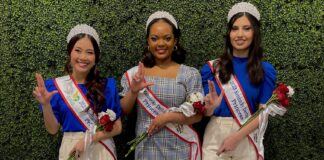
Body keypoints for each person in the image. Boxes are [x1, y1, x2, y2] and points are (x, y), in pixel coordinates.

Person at [120, 11, 211, 160]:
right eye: (154, 39)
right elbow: (124, 110)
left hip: (180, 149)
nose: (161, 44)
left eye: (167, 38)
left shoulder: (189, 74)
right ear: (148, 42)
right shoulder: (136, 74)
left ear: (175, 41)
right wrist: (134, 90)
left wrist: (167, 117)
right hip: (146, 149)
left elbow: (197, 116)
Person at [33, 24, 122, 160]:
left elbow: (117, 127)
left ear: (96, 57)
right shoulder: (54, 87)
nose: (83, 57)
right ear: (70, 52)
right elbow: (53, 129)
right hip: (71, 150)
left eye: (90, 52)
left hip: (102, 149)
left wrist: (89, 139)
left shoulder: (107, 86)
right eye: (78, 50)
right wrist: (45, 104)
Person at [201, 2, 277, 160]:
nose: (240, 34)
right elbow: (207, 112)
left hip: (246, 137)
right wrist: (210, 108)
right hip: (215, 138)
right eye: (235, 28)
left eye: (247, 28)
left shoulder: (266, 70)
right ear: (229, 33)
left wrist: (236, 138)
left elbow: (264, 113)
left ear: (255, 33)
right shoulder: (211, 68)